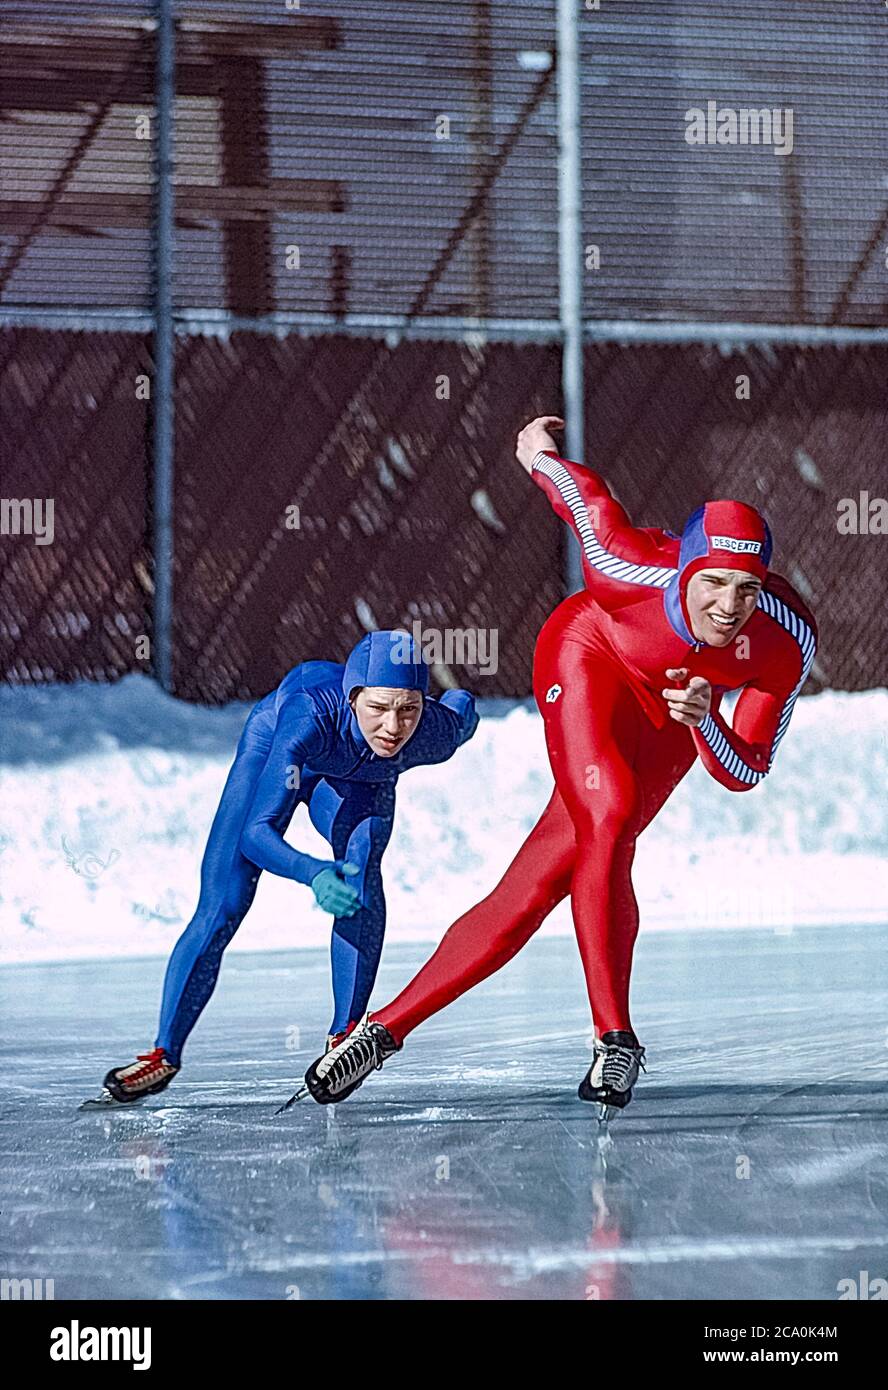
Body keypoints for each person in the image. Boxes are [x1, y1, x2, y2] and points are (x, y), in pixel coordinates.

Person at [302, 416, 818, 1113]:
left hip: (677, 706)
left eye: (747, 590)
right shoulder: (626, 564)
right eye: (714, 583)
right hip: (589, 657)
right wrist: (537, 453)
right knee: (608, 814)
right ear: (688, 569)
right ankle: (616, 1039)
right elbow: (584, 499)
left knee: (545, 879)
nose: (729, 608)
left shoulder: (786, 640)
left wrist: (707, 721)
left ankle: (384, 1029)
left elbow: (747, 770)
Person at [98, 631, 478, 1104]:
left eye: (408, 709)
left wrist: (461, 706)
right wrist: (311, 872)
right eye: (378, 707)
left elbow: (462, 708)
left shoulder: (434, 732)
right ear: (352, 696)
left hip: (354, 779)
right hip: (275, 746)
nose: (393, 727)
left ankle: (344, 1039)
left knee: (360, 870)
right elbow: (256, 834)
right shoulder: (308, 718)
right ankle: (162, 1053)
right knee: (224, 904)